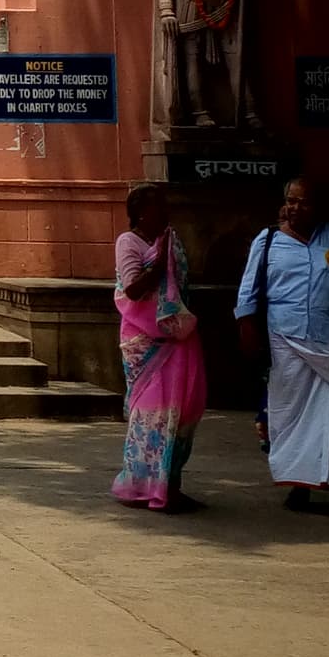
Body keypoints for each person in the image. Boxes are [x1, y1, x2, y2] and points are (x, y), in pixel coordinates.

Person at [236, 177, 329, 509]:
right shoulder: (268, 240)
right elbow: (248, 293)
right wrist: (247, 329)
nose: (295, 208)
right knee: (293, 417)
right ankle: (299, 485)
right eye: (291, 200)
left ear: (319, 207)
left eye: (303, 202)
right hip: (286, 342)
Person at [111, 182, 208, 514]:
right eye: (158, 206)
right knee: (152, 417)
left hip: (177, 341)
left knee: (181, 414)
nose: (165, 212)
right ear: (140, 213)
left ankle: (170, 485)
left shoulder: (170, 240)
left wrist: (166, 251)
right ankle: (144, 486)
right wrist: (159, 259)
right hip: (146, 344)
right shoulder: (129, 242)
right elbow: (133, 290)